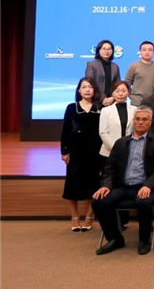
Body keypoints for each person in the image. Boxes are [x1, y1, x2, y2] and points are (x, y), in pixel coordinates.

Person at [92, 106, 154, 255]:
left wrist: (148, 186)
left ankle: (144, 240)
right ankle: (115, 239)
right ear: (133, 121)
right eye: (137, 119)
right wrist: (106, 186)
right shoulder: (121, 143)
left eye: (144, 119)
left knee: (143, 202)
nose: (140, 122)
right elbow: (109, 168)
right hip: (122, 186)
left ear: (150, 122)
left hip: (145, 187)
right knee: (98, 201)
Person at [61, 77, 102, 232]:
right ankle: (75, 217)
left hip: (95, 152)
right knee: (73, 185)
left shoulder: (99, 108)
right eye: (84, 87)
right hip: (76, 152)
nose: (87, 90)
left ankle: (89, 217)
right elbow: (65, 130)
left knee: (93, 184)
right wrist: (64, 151)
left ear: (94, 90)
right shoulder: (72, 108)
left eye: (90, 87)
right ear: (79, 90)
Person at [98, 80, 136, 160]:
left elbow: (135, 131)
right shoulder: (106, 111)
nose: (120, 94)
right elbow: (103, 132)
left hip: (129, 151)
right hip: (109, 153)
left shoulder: (134, 110)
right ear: (113, 93)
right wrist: (115, 148)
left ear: (128, 93)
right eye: (117, 91)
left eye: (123, 91)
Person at [85, 39, 121, 107]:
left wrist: (113, 98)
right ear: (99, 50)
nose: (106, 51)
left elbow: (118, 85)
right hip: (95, 101)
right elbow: (90, 83)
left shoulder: (115, 66)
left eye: (109, 49)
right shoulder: (91, 64)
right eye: (104, 49)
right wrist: (103, 98)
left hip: (111, 102)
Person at [124, 41, 154, 106]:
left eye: (150, 50)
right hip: (136, 102)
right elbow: (126, 83)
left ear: (153, 52)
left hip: (153, 101)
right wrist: (132, 96)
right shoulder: (134, 66)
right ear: (140, 52)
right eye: (144, 50)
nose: (147, 52)